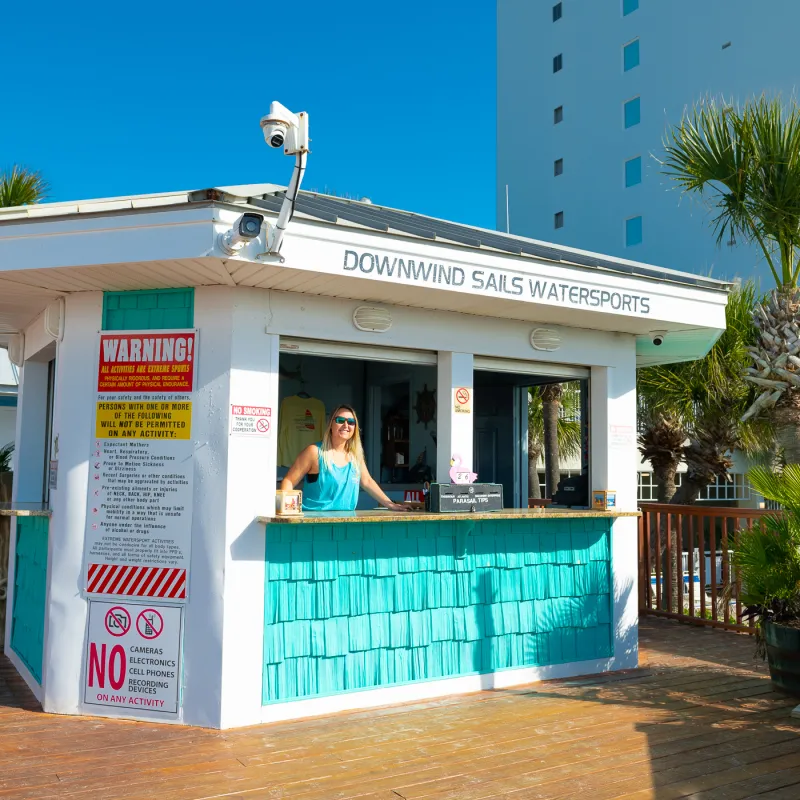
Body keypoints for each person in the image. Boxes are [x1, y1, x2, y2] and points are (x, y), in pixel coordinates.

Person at [281, 404, 410, 512]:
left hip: (345, 523)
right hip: (313, 523)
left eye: (351, 422)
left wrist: (390, 504)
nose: (346, 425)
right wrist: (287, 511)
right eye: (340, 420)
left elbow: (367, 481)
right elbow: (289, 481)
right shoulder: (315, 452)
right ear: (330, 424)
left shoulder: (355, 455)